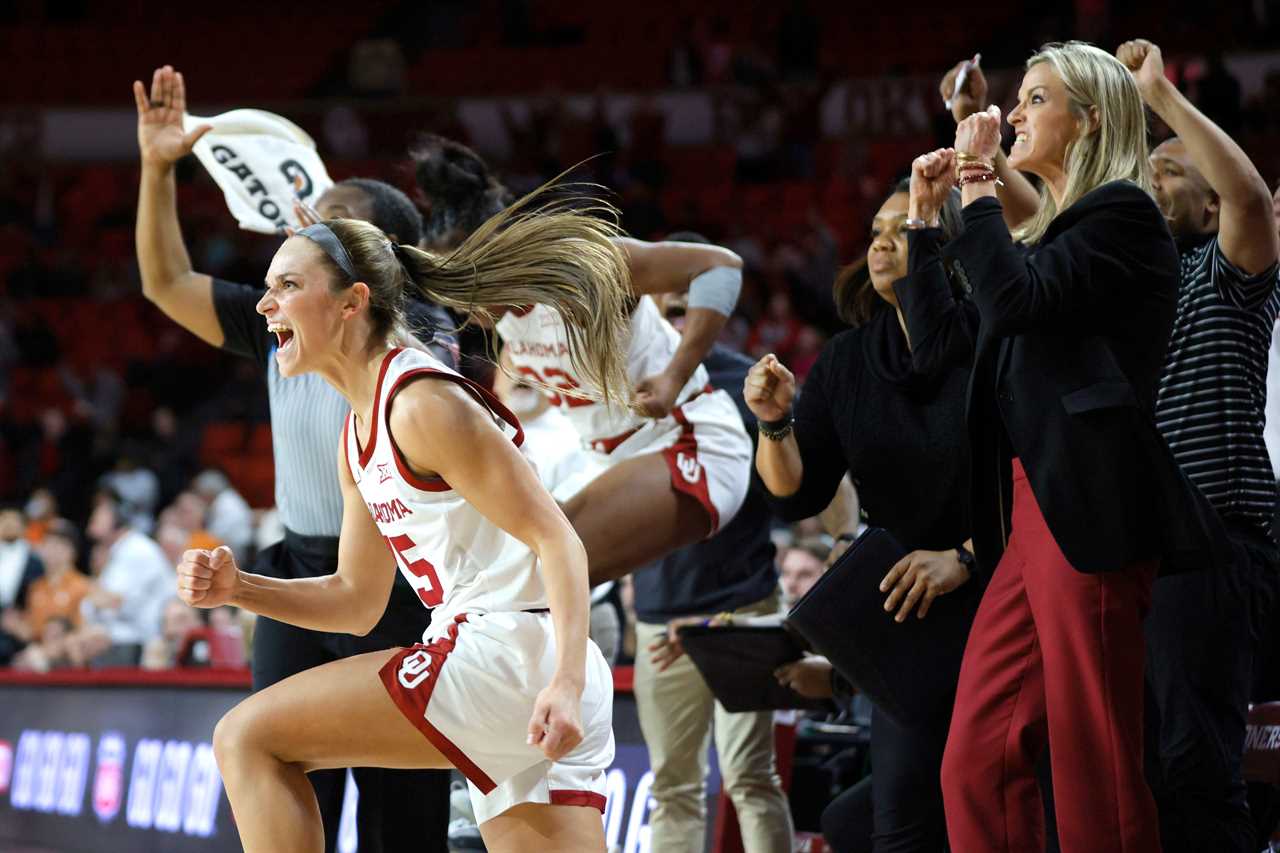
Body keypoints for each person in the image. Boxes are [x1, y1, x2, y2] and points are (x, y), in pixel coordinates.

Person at [174, 177, 630, 852]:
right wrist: (241, 588)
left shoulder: (419, 403)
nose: (266, 303)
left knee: (247, 736)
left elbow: (558, 539)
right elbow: (356, 601)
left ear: (353, 301)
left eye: (289, 285)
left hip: (510, 658)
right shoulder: (358, 430)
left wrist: (563, 680)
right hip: (522, 675)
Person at [906, 42, 1222, 853]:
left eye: (1035, 98)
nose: (1014, 111)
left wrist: (977, 180)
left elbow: (1011, 294)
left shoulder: (1123, 216)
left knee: (1096, 760)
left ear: (1089, 120)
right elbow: (944, 338)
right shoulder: (1061, 233)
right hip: (1029, 508)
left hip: (1090, 502)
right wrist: (921, 217)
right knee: (976, 758)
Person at [133, 65, 454, 852]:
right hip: (298, 572)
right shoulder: (283, 319)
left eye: (330, 218)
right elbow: (164, 281)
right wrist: (156, 169)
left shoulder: (419, 333)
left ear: (371, 264)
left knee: (401, 825)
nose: (304, 216)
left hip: (399, 590)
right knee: (272, 770)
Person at [411, 135, 754, 584]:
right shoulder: (504, 319)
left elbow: (720, 267)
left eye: (468, 285)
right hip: (599, 458)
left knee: (533, 574)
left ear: (498, 256)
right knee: (490, 573)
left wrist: (673, 377)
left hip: (684, 439)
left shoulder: (586, 269)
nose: (461, 304)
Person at [746, 176, 973, 852]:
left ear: (946, 248)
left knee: (981, 793)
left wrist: (964, 557)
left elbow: (1033, 478)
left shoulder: (986, 337)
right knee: (897, 813)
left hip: (993, 579)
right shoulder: (849, 358)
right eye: (875, 229)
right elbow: (797, 493)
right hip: (906, 606)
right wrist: (775, 423)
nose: (880, 241)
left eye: (903, 229)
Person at [1117, 38, 1280, 853]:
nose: (1151, 179)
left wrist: (1161, 102)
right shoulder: (1129, 294)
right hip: (1135, 553)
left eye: (1169, 173)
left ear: (1208, 207)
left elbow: (1250, 196)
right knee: (1135, 772)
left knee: (1193, 767)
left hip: (1211, 543)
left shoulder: (1227, 273)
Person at [630, 274, 794, 853]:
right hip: (658, 613)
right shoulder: (621, 379)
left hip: (741, 606)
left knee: (751, 778)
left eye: (685, 308)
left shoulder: (749, 381)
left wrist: (845, 534)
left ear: (714, 312)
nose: (675, 321)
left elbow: (793, 489)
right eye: (664, 308)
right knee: (673, 785)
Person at [65, 489, 173, 667]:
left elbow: (114, 601)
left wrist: (92, 596)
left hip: (141, 638)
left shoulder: (136, 549)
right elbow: (95, 603)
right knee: (71, 642)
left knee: (77, 645)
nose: (93, 519)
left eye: (100, 515)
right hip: (121, 634)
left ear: (117, 521)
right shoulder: (118, 550)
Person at [0, 503, 45, 665]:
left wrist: (20, 620)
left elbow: (40, 594)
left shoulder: (35, 561)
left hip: (21, 623)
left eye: (14, 521)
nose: (9, 525)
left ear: (24, 526)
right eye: (4, 520)